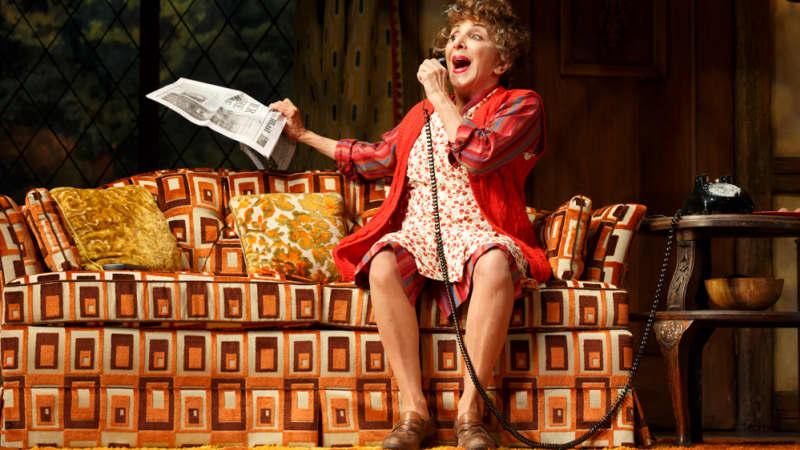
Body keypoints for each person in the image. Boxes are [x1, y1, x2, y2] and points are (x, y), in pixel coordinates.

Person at [270, 1, 550, 448]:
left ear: (502, 62)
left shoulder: (520, 105)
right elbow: (373, 158)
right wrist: (303, 135)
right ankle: (413, 413)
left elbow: (480, 156)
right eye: (454, 36)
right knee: (380, 261)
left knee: (495, 263)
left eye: (475, 36)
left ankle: (470, 415)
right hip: (422, 235)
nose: (458, 42)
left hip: (483, 232)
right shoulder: (418, 118)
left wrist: (440, 100)